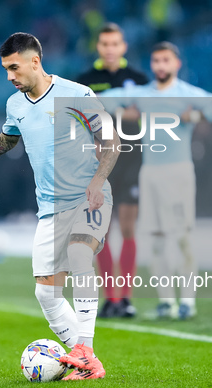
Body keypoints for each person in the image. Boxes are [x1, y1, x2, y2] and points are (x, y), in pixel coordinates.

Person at [0, 33, 119, 380]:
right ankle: (86, 364)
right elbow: (5, 141)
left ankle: (85, 348)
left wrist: (96, 182)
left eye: (13, 67)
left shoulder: (76, 94)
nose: (9, 76)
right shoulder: (15, 105)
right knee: (45, 293)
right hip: (49, 208)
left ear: (35, 61)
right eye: (6, 69)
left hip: (88, 197)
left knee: (80, 254)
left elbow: (111, 140)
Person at [102, 41, 212, 320]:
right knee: (158, 241)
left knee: (183, 237)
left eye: (166, 60)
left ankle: (187, 301)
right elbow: (104, 98)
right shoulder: (143, 93)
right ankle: (166, 302)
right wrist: (125, 112)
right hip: (150, 173)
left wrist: (196, 114)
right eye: (156, 61)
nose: (161, 66)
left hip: (178, 172)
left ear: (177, 64)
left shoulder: (187, 93)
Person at [76, 22, 149, 318]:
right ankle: (111, 298)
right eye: (104, 44)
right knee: (102, 230)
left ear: (123, 47)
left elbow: (145, 112)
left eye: (114, 44)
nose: (109, 49)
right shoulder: (85, 81)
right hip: (98, 164)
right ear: (98, 47)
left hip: (132, 159)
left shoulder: (138, 78)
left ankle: (127, 298)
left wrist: (107, 109)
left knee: (129, 226)